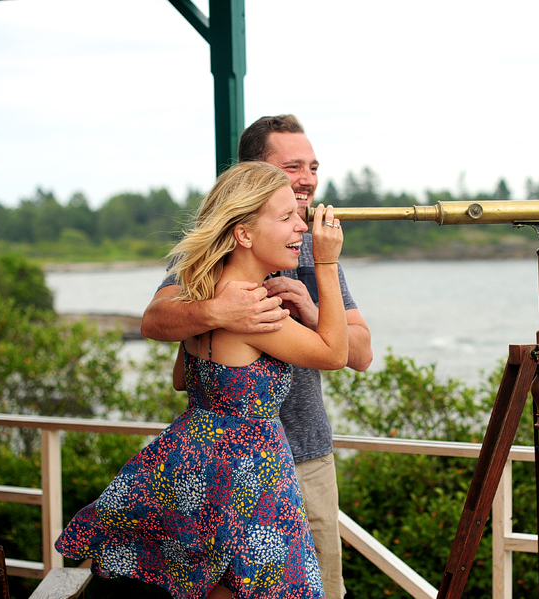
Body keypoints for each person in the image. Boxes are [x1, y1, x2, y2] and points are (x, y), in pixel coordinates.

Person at [56, 161, 347, 599]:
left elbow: (180, 378)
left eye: (298, 217)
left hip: (195, 460)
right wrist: (326, 263)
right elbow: (335, 353)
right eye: (286, 218)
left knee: (210, 586)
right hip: (251, 472)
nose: (301, 229)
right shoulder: (254, 310)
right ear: (244, 234)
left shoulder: (203, 292)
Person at [141, 115, 372, 599]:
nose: (307, 179)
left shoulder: (261, 254)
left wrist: (310, 309)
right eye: (292, 167)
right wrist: (219, 311)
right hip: (252, 471)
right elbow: (155, 320)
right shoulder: (244, 287)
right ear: (251, 178)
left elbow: (360, 353)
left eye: (313, 166)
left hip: (263, 459)